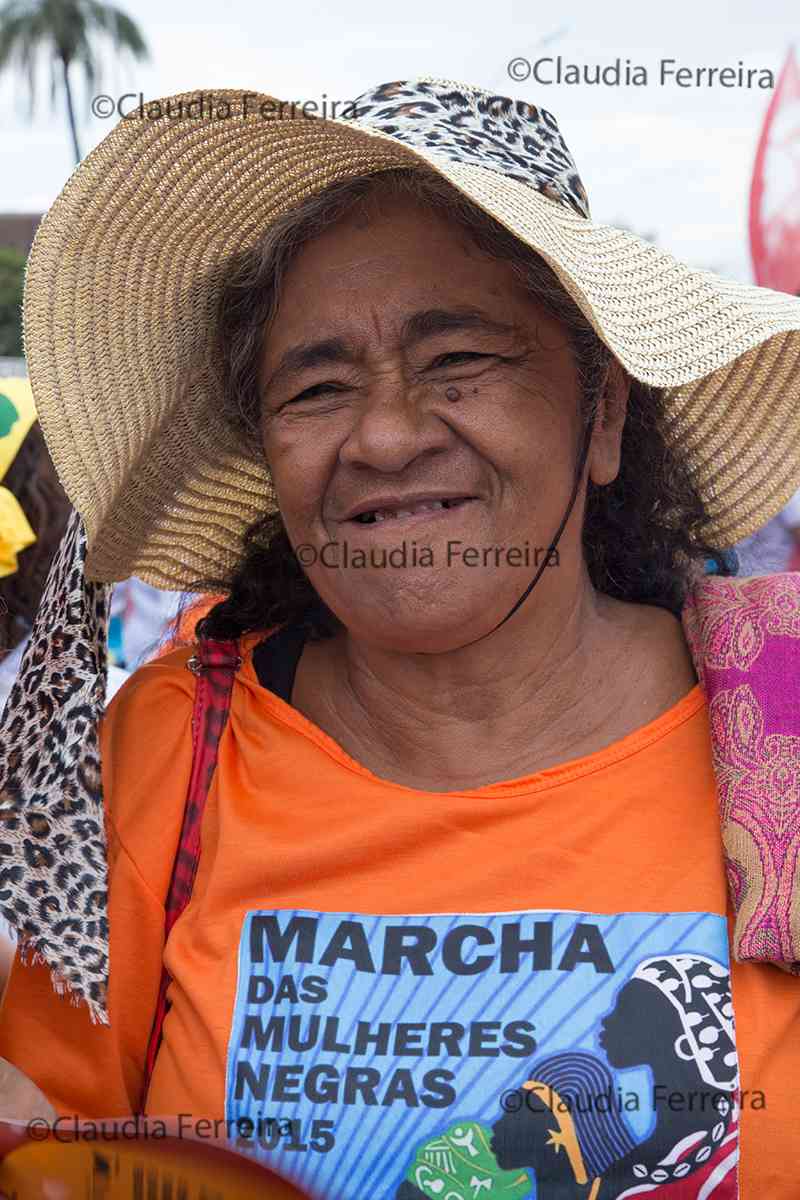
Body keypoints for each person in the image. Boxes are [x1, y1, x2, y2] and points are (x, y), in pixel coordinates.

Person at [0, 79, 799, 1200]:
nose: (380, 434)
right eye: (315, 387)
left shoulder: (781, 731)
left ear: (602, 413)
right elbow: (49, 1157)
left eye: (458, 360)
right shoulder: (170, 753)